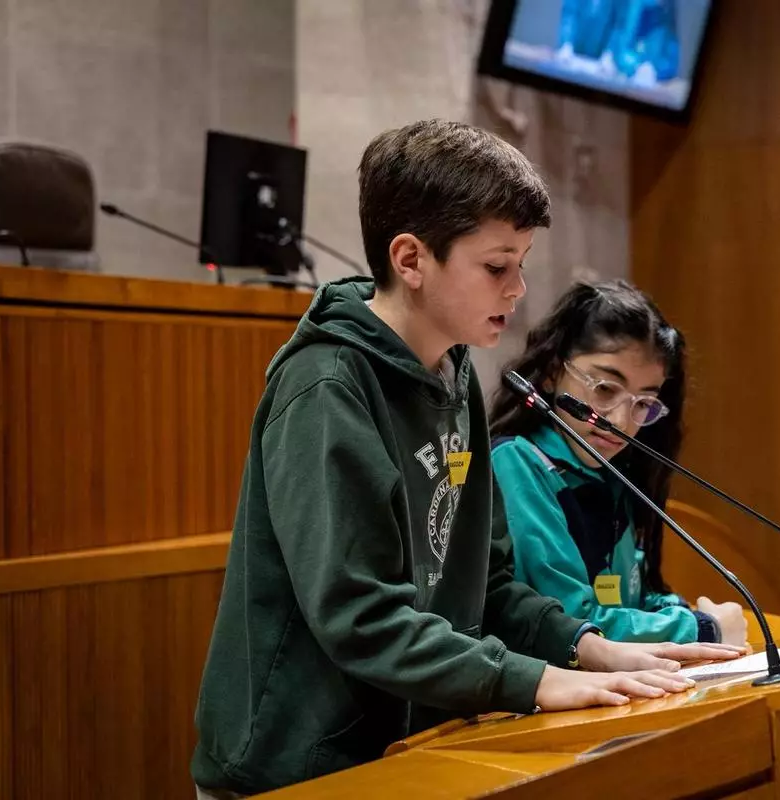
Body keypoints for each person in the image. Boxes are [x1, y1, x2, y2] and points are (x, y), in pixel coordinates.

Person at [190, 121, 740, 797]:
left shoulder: (454, 375)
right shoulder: (327, 387)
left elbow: (489, 583)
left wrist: (587, 647)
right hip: (296, 768)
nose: (518, 289)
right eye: (496, 267)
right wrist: (533, 680)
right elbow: (360, 617)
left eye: (522, 264)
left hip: (414, 744)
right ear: (410, 259)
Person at [489, 280, 750, 647]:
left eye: (643, 403)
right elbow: (572, 622)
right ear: (551, 373)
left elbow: (628, 600)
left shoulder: (609, 469)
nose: (621, 421)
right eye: (605, 389)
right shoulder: (518, 463)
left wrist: (678, 610)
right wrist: (700, 628)